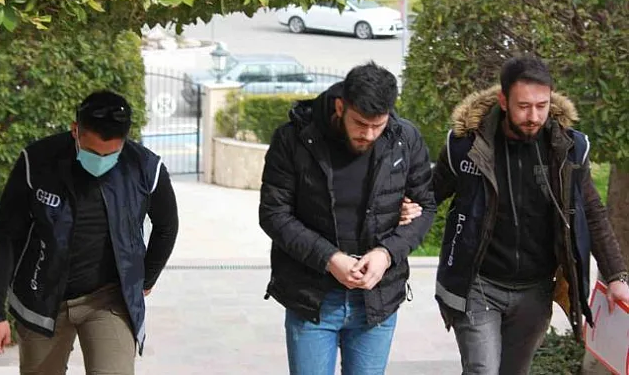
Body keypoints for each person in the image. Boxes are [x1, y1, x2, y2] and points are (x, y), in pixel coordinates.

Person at [401, 55, 629, 374]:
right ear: (503, 101)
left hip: (536, 289)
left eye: (541, 105)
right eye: (523, 106)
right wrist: (407, 208)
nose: (533, 116)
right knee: (482, 369)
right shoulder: (466, 145)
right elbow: (431, 193)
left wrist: (616, 276)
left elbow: (592, 212)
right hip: (478, 283)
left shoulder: (569, 149)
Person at [0, 90, 179, 374]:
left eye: (111, 154)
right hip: (43, 298)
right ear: (76, 130)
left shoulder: (145, 167)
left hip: (108, 299)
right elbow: (6, 237)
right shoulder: (37, 162)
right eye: (93, 153)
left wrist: (146, 278)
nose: (102, 161)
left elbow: (166, 226)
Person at [258, 61, 437, 374]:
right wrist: (330, 259)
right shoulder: (294, 138)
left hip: (377, 299)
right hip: (312, 299)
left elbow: (426, 207)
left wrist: (386, 254)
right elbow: (273, 213)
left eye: (377, 125)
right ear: (340, 107)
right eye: (360, 123)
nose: (368, 134)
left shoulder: (404, 139)